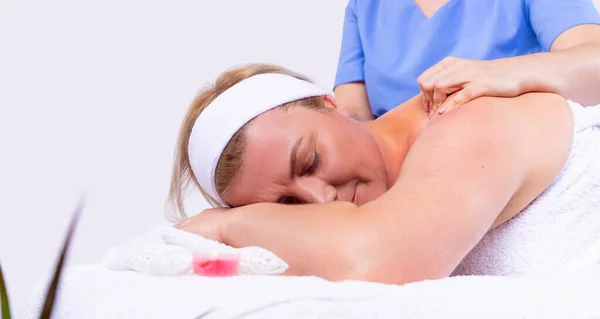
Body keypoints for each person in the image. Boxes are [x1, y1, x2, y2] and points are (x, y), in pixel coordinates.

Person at [168, 63, 600, 284]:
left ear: (333, 103)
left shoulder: (465, 117)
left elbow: (379, 261)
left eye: (310, 162)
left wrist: (227, 224)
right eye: (286, 205)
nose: (319, 200)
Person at [333, 0, 600, 120]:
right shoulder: (364, 6)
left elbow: (594, 62)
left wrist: (503, 73)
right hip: (396, 183)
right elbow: (350, 120)